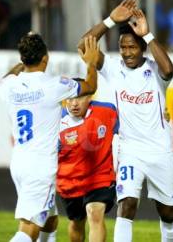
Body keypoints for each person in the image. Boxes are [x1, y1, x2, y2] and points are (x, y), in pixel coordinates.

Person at [78, 0, 173, 242]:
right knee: (126, 205)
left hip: (159, 151)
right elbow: (83, 47)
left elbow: (169, 71)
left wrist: (148, 35)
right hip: (129, 150)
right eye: (123, 47)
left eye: (133, 47)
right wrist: (111, 20)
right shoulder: (113, 69)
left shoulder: (155, 71)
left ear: (142, 48)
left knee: (167, 212)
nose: (127, 52)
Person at [0, 32, 100, 242]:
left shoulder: (9, 85)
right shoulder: (55, 85)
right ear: (46, 58)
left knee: (50, 219)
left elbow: (1, 81)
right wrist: (91, 63)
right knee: (29, 228)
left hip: (19, 163)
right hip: (40, 166)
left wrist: (22, 63)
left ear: (23, 59)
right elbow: (90, 86)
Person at [56, 79, 118, 242]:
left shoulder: (107, 111)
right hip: (70, 181)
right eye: (70, 98)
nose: (74, 103)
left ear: (90, 97)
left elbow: (131, 128)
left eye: (80, 97)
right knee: (77, 222)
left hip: (99, 177)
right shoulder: (55, 121)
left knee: (95, 213)